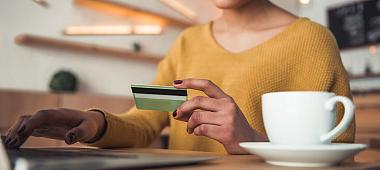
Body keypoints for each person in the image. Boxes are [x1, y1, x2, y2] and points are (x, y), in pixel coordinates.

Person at [4, 0, 354, 154]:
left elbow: (338, 157)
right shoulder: (186, 42)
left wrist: (254, 142)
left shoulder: (314, 41)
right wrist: (96, 123)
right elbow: (145, 121)